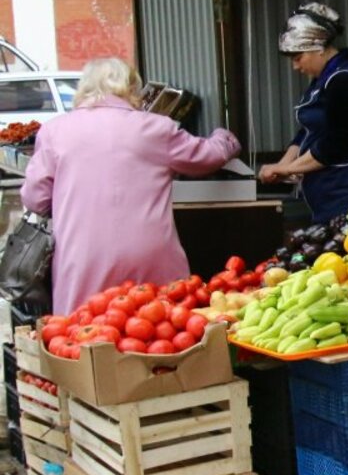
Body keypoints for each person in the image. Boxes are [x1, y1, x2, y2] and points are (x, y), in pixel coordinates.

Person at [22, 57, 239, 314]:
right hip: (150, 255)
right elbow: (206, 157)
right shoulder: (156, 128)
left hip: (81, 258)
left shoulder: (55, 131)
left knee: (83, 332)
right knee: (161, 329)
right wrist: (224, 137)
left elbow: (35, 199)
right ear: (131, 89)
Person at [259, 3, 348, 222]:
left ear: (318, 47)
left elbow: (333, 144)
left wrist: (286, 169)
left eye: (298, 58)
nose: (295, 67)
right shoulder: (322, 80)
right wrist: (284, 164)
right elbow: (308, 131)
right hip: (329, 193)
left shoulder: (345, 80)